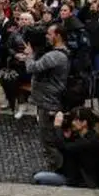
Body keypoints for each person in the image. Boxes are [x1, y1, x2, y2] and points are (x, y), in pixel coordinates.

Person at [22, 23, 70, 170]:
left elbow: (32, 68)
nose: (47, 37)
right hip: (46, 100)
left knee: (48, 139)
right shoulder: (56, 53)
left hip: (49, 102)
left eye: (49, 34)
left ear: (58, 36)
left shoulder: (55, 56)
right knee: (48, 138)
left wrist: (29, 55)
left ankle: (58, 168)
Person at [33, 108, 99, 188]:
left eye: (75, 120)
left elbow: (64, 147)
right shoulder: (83, 136)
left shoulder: (90, 141)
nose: (72, 123)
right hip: (74, 177)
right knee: (38, 176)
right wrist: (67, 137)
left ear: (84, 123)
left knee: (39, 177)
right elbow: (65, 147)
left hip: (83, 181)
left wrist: (57, 127)